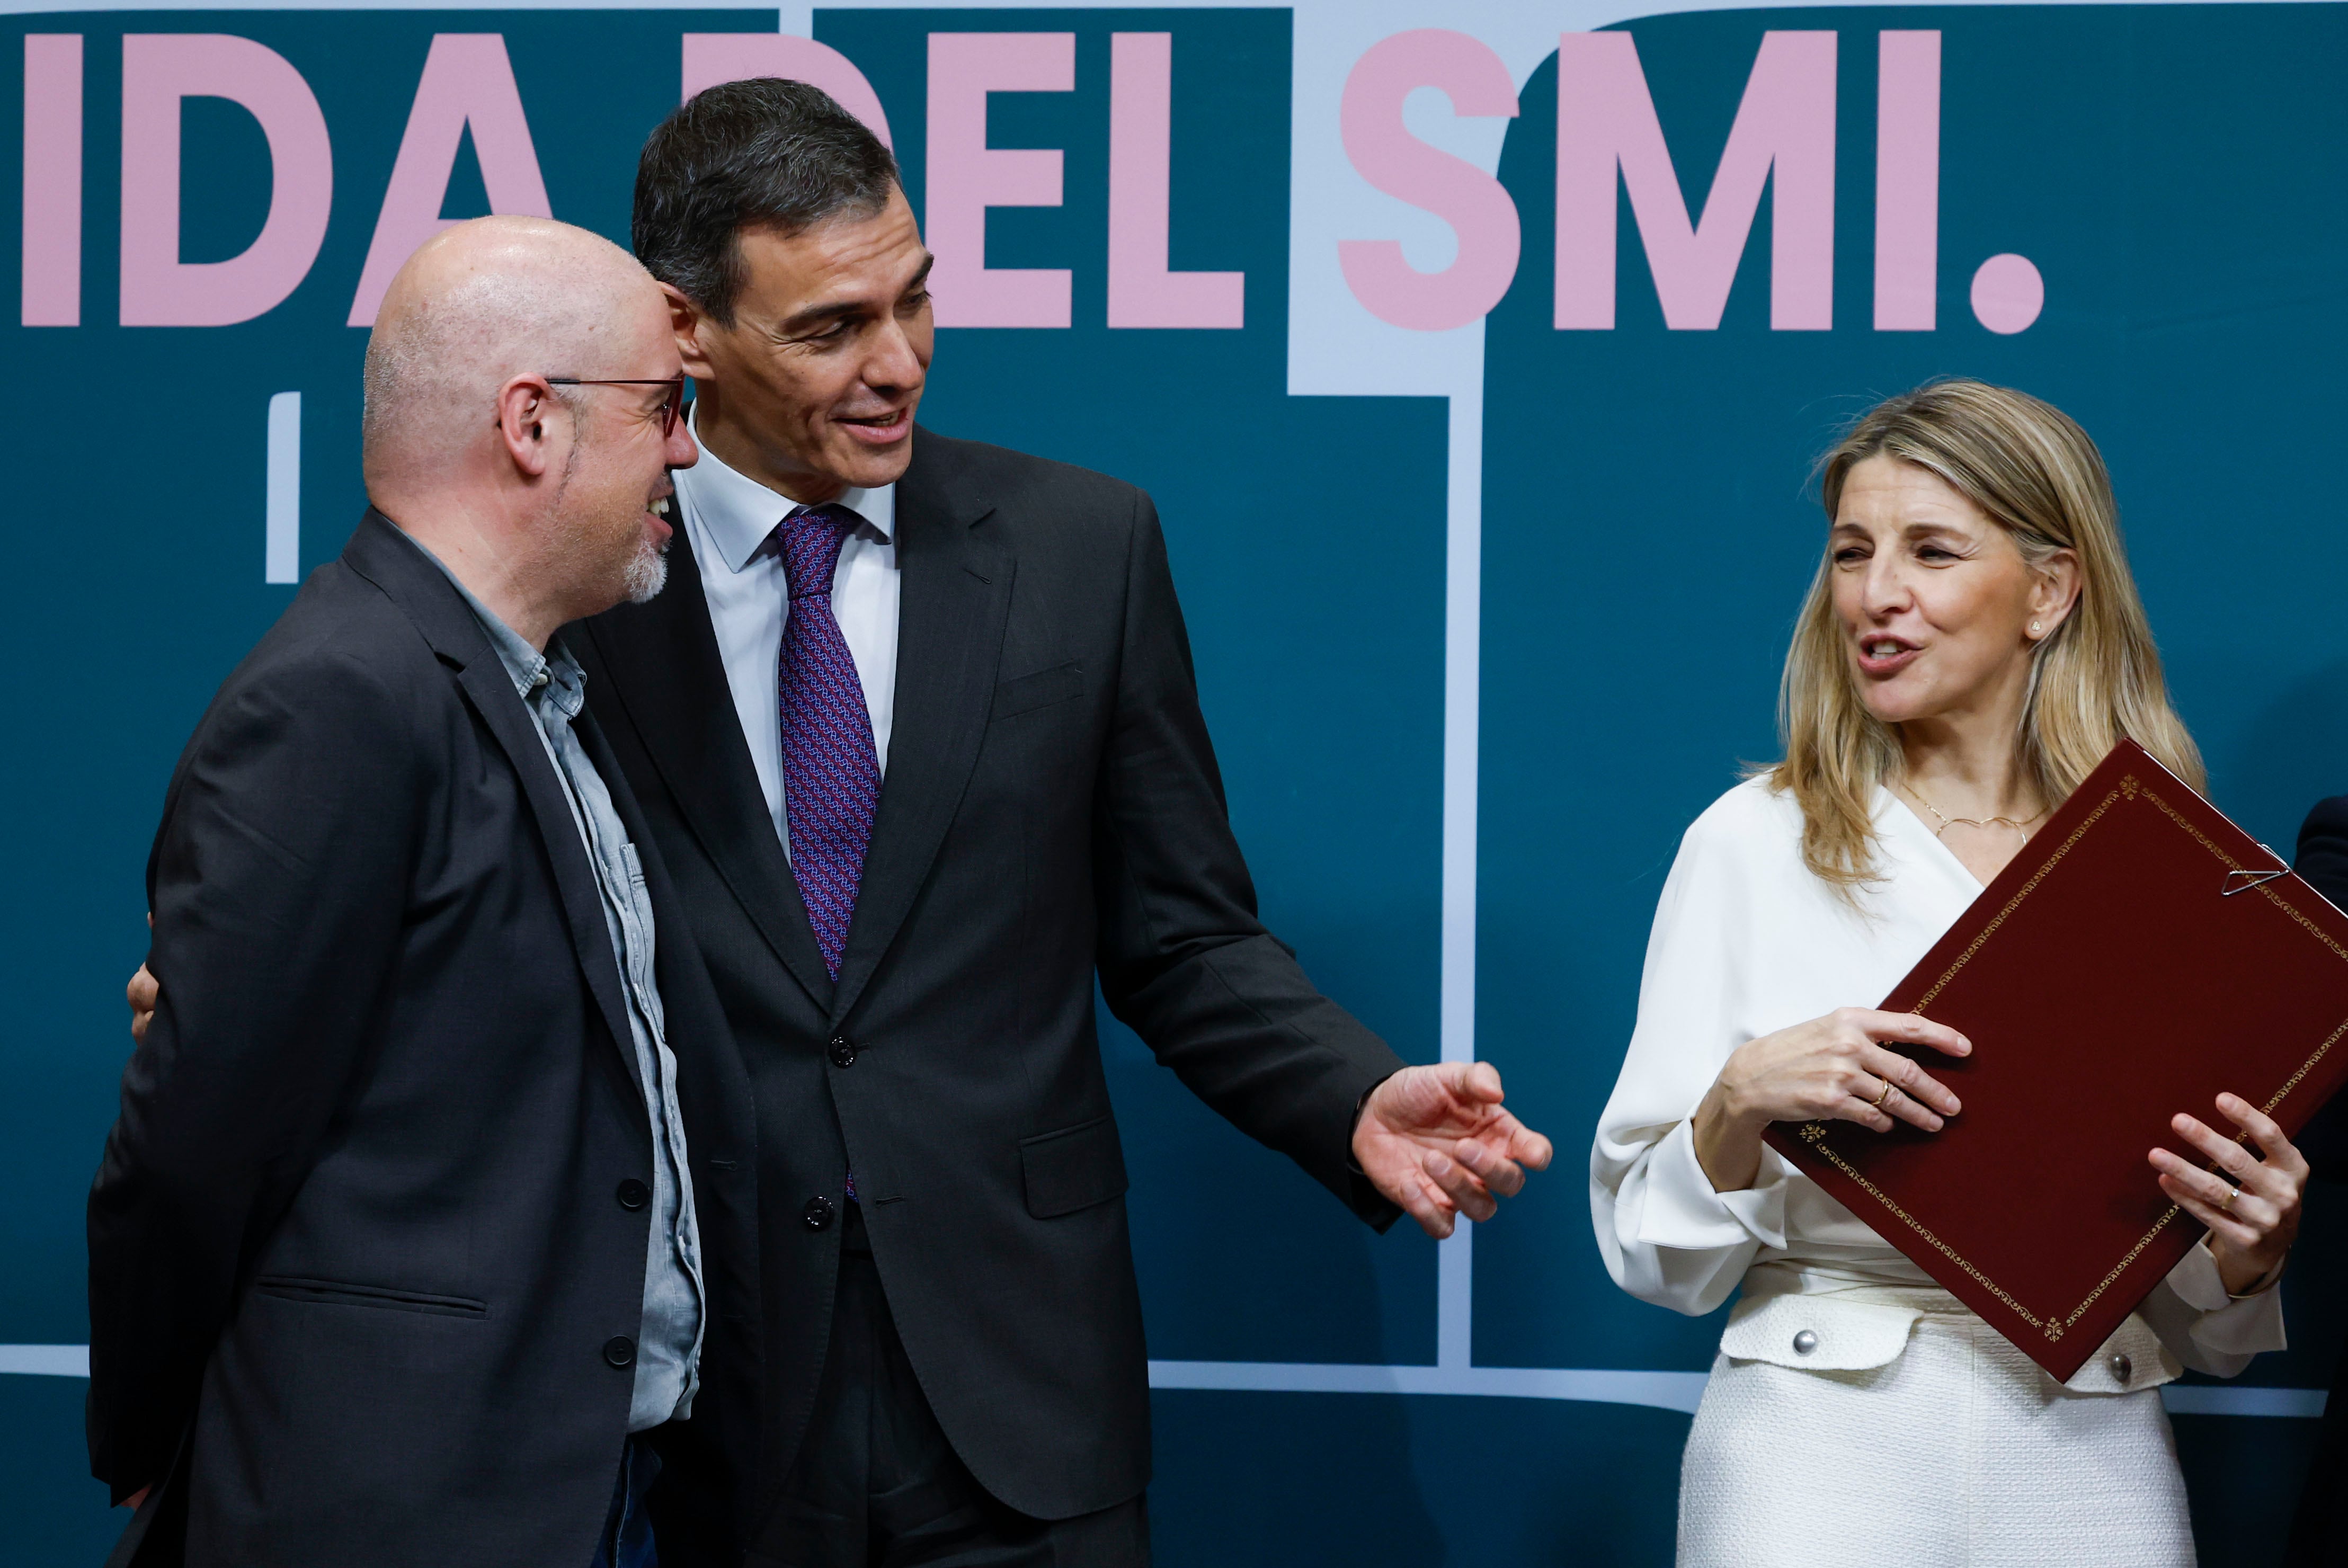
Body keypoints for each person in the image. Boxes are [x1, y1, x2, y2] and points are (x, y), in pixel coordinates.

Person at [579, 78, 1554, 1564]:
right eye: (833, 328)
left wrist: (1345, 1095)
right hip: (709, 1400)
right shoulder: (582, 587)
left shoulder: (1081, 548)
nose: (898, 364)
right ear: (685, 330)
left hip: (1023, 1393)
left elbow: (1181, 936)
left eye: (915, 302)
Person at [87, 216, 761, 1568]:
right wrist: (155, 1433)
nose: (688, 448)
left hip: (576, 1491)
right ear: (533, 423)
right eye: (664, 405)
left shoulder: (540, 693)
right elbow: (199, 1142)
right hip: (407, 1509)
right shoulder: (342, 697)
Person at [1589, 379, 2307, 1567]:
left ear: (2047, 590)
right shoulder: (1752, 840)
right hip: (1811, 1446)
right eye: (1849, 553)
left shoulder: (2163, 869)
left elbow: (2206, 1324)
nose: (1875, 597)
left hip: (2093, 1447)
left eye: (1929, 551)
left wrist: (2249, 1246)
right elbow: (1649, 1255)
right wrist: (1740, 1095)